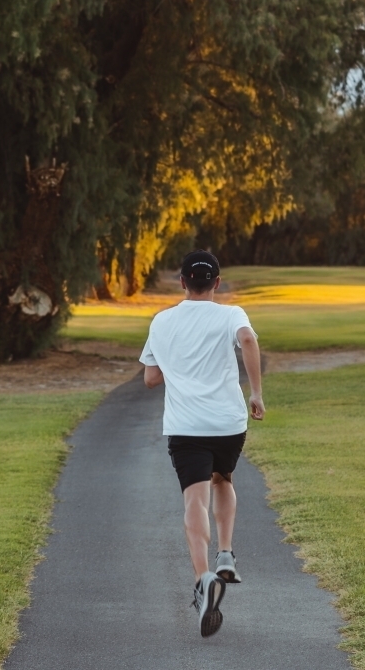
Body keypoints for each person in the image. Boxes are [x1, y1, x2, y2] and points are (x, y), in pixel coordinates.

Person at [139, 249, 265, 638]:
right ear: (217, 282)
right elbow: (246, 338)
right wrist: (256, 392)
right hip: (228, 423)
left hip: (186, 425)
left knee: (195, 499)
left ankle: (203, 578)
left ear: (182, 282)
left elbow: (150, 378)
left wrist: (177, 367)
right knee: (223, 477)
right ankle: (225, 552)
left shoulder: (162, 321)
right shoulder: (231, 315)